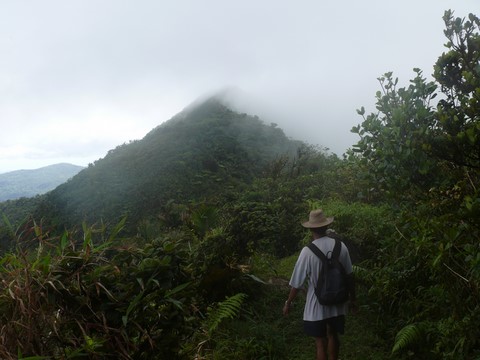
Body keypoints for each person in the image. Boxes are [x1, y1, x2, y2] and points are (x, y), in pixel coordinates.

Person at [283, 209, 356, 360]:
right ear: (325, 226)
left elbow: (297, 283)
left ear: (310, 229)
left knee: (320, 343)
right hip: (338, 302)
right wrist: (353, 299)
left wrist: (288, 303)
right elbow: (349, 275)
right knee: (333, 335)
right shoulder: (340, 246)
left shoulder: (307, 251)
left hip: (316, 306)